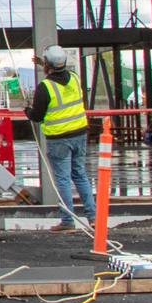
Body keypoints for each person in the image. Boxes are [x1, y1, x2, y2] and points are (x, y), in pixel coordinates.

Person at [26, 46, 94, 232]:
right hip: (79, 134)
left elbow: (37, 116)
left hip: (58, 139)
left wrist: (27, 111)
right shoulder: (75, 78)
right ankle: (93, 217)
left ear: (47, 65)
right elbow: (60, 76)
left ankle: (68, 222)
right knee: (80, 175)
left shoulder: (44, 87)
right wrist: (47, 64)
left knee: (63, 180)